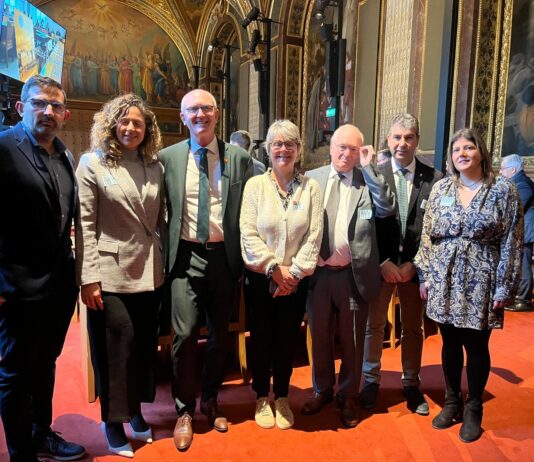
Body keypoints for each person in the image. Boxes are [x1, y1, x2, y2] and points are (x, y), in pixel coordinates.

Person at [414, 128, 523, 442]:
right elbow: (428, 237)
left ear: (481, 152)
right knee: (448, 343)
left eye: (468, 148)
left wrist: (505, 286)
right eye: (456, 149)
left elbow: (512, 242)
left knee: (476, 346)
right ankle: (451, 402)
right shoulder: (441, 188)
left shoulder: (502, 189)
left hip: (482, 279)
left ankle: (474, 407)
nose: (461, 153)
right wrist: (426, 276)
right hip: (444, 279)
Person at [160, 89, 253, 451]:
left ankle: (210, 399)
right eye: (193, 109)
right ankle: (184, 410)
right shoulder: (167, 158)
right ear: (183, 117)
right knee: (184, 335)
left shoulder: (240, 159)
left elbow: (252, 206)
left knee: (219, 336)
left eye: (207, 108)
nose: (200, 114)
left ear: (218, 114)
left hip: (223, 258)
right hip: (184, 257)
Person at [0, 76, 86, 461]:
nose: (47, 112)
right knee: (15, 374)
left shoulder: (64, 155)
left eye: (55, 106)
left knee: (46, 363)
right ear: (21, 107)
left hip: (57, 285)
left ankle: (41, 432)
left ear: (65, 114)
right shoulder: (4, 147)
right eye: (39, 103)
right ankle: (22, 453)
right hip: (16, 286)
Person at [76, 94, 165, 457]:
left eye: (138, 123)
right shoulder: (92, 163)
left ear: (148, 130)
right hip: (110, 275)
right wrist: (88, 277)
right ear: (112, 124)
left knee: (143, 348)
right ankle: (112, 422)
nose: (130, 128)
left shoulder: (154, 165)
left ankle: (136, 412)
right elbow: (83, 224)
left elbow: (159, 219)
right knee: (115, 349)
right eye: (124, 121)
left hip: (150, 272)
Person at [301, 124, 396, 427]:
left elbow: (386, 208)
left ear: (361, 152)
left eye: (354, 149)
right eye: (341, 146)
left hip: (354, 276)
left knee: (354, 340)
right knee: (320, 337)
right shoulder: (311, 179)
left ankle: (349, 396)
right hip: (318, 274)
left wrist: (369, 168)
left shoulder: (367, 181)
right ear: (330, 147)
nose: (346, 153)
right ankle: (322, 389)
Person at [240, 119, 323, 430]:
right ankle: (262, 395)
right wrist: (275, 270)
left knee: (288, 339)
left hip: (296, 281)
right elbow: (247, 233)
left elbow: (314, 235)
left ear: (298, 150)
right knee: (261, 338)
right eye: (277, 144)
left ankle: (283, 395)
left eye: (290, 144)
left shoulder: (311, 187)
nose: (283, 149)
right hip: (261, 278)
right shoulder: (255, 186)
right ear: (268, 149)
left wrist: (294, 274)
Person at [361, 114, 442, 415]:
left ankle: (411, 383)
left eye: (408, 137)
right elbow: (364, 225)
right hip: (381, 267)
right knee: (374, 326)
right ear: (388, 140)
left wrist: (413, 265)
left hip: (413, 268)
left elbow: (434, 229)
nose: (402, 144)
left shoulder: (433, 178)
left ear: (417, 140)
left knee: (413, 328)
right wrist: (382, 261)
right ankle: (370, 381)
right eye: (396, 137)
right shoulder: (373, 173)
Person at [500, 154, 534, 312]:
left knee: (524, 266)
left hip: (526, 232)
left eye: (503, 169)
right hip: (524, 231)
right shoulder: (519, 182)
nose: (500, 172)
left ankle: (523, 300)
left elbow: (517, 207)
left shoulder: (522, 184)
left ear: (512, 169)